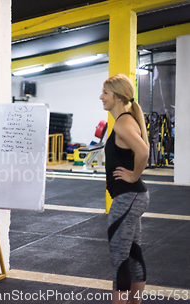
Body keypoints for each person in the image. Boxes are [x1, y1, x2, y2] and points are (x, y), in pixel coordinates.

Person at [100, 74, 150, 304]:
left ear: (118, 96)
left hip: (128, 197)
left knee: (119, 257)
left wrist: (133, 175)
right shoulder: (127, 120)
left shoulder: (122, 122)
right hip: (133, 197)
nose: (101, 97)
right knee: (132, 253)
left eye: (106, 93)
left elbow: (143, 152)